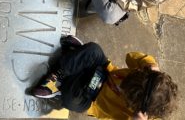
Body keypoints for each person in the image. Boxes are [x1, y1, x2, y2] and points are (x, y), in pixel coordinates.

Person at [31, 35, 178, 120]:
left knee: (70, 100)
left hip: (92, 100)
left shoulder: (137, 115)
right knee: (94, 50)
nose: (122, 85)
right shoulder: (145, 74)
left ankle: (69, 71)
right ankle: (61, 74)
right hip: (104, 71)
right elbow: (129, 57)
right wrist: (149, 62)